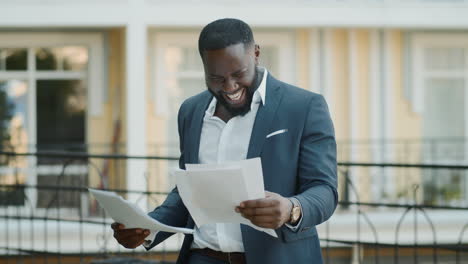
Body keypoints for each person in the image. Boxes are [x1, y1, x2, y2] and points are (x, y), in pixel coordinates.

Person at [112, 18, 337, 264]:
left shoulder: (304, 107)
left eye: (239, 73)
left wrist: (292, 209)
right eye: (216, 78)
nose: (230, 87)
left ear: (256, 53)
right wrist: (147, 229)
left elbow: (324, 190)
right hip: (202, 256)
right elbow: (189, 192)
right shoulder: (191, 111)